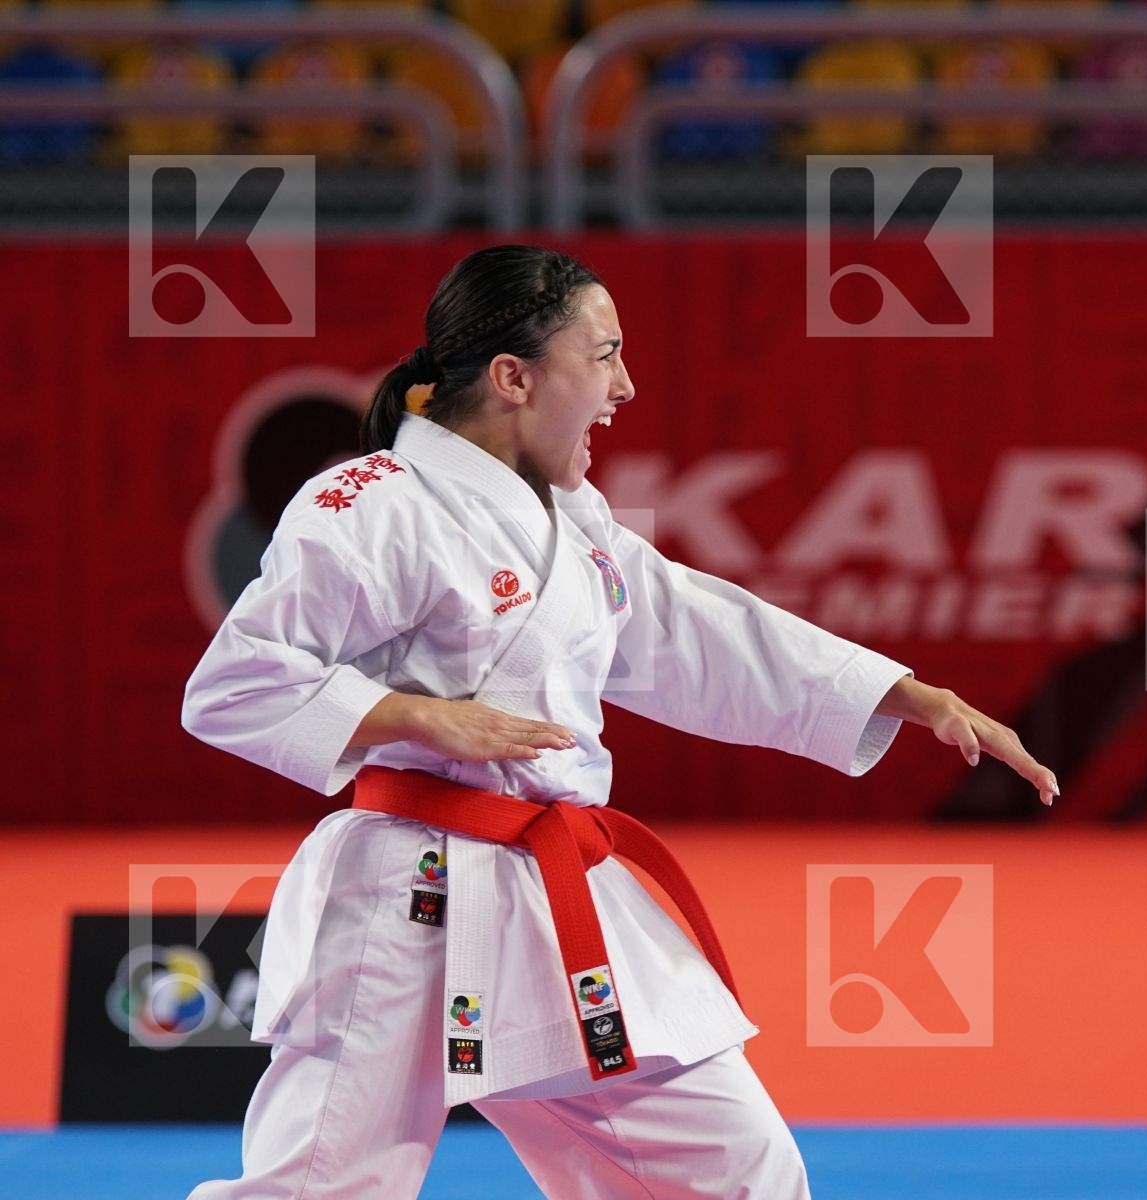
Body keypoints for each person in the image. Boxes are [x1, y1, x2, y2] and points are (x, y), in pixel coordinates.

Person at [180, 244, 1058, 1200]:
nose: (625, 386)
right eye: (603, 356)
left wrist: (904, 694)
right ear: (513, 377)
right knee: (316, 1190)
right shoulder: (370, 505)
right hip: (403, 903)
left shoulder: (572, 517)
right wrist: (420, 719)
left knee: (735, 1171)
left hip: (548, 899)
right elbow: (233, 684)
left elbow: (692, 627)